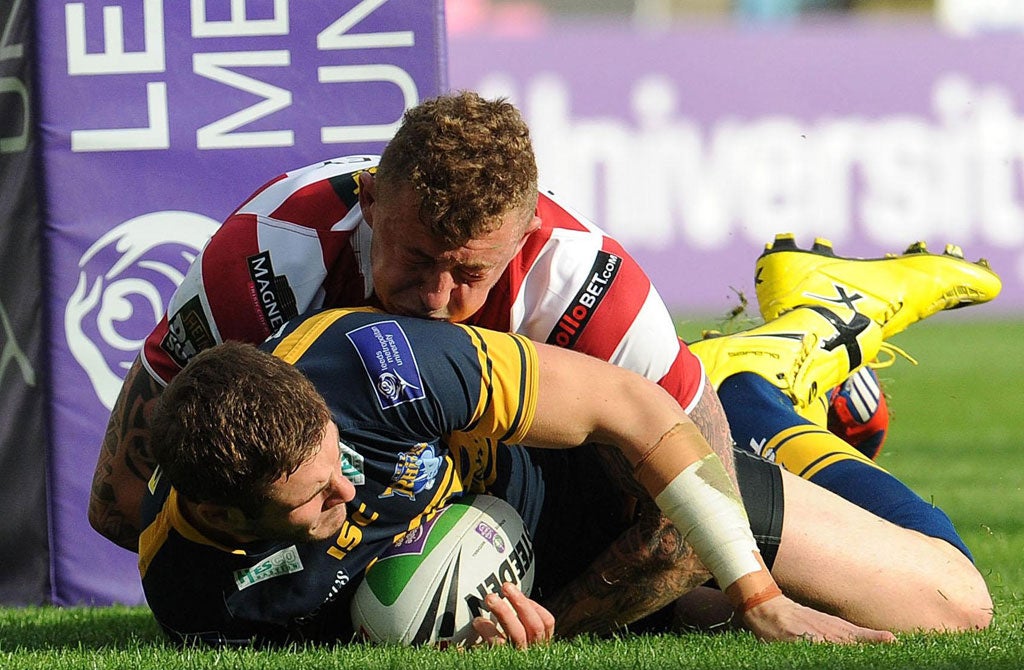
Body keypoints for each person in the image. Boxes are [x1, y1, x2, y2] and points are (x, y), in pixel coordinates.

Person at [94, 91, 997, 634]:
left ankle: (769, 369)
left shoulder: (590, 292)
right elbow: (120, 499)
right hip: (492, 476)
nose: (438, 301)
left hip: (616, 440)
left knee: (941, 595)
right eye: (413, 262)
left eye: (471, 274)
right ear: (371, 205)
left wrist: (549, 621)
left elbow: (684, 508)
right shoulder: (271, 259)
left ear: (525, 238)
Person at [140, 307, 977, 649]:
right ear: (225, 513)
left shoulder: (375, 366)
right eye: (315, 499)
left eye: (341, 462)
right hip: (548, 571)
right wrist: (458, 649)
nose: (348, 493)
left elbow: (632, 404)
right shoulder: (194, 591)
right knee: (702, 611)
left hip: (601, 482)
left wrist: (764, 598)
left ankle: (758, 389)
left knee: (954, 606)